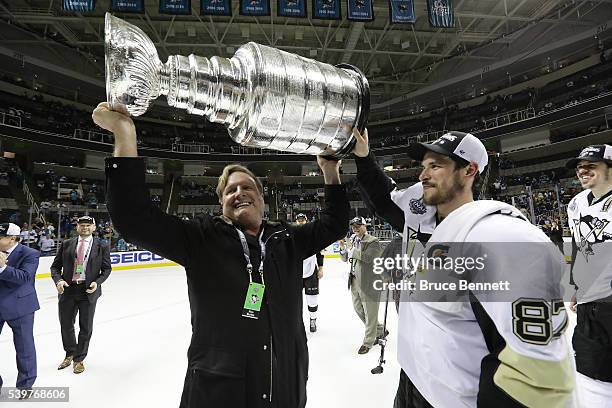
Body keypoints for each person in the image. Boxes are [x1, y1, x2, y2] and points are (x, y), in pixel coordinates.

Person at [92, 101, 350, 408]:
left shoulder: (287, 239)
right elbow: (133, 219)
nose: (239, 193)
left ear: (262, 198)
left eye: (247, 187)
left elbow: (335, 224)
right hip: (220, 394)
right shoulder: (200, 240)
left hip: (285, 388)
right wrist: (124, 133)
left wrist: (330, 171)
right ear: (222, 205)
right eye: (230, 191)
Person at [352, 128, 574, 407]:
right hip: (413, 377)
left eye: (436, 166)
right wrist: (363, 156)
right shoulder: (419, 210)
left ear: (469, 170)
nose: (423, 175)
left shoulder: (496, 238)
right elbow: (383, 198)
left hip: (455, 395)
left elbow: (534, 369)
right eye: (423, 166)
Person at [565, 144, 612, 407]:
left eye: (591, 165)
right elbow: (580, 246)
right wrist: (578, 287)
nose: (582, 171)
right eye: (580, 167)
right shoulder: (576, 204)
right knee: (591, 371)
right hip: (590, 303)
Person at [50, 215, 112, 375]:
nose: (85, 228)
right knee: (66, 324)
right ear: (77, 227)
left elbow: (107, 269)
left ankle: (79, 359)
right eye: (82, 225)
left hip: (88, 291)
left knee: (86, 327)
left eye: (88, 225)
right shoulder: (67, 244)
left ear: (94, 228)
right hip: (68, 290)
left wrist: (97, 282)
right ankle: (70, 353)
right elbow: (55, 267)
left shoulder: (102, 246)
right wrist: (58, 281)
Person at [0, 223, 40, 400]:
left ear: (12, 239)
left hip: (20, 307)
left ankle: (25, 385)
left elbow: (24, 278)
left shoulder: (30, 254)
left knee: (24, 347)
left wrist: (2, 268)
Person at [339, 217, 385, 354]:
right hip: (354, 280)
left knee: (370, 313)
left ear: (365, 226)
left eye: (358, 225)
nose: (355, 228)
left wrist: (353, 250)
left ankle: (369, 341)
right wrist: (343, 248)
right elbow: (345, 259)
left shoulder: (373, 241)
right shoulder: (352, 240)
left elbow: (369, 258)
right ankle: (380, 330)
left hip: (368, 281)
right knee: (359, 309)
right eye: (353, 226)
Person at [295, 213, 324, 333]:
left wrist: (321, 268)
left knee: (312, 298)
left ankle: (313, 320)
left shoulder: (313, 236)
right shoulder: (292, 235)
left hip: (311, 271)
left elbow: (319, 253)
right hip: (295, 271)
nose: (301, 221)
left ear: (306, 221)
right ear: (296, 221)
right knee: (295, 299)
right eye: (299, 220)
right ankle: (297, 322)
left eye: (303, 220)